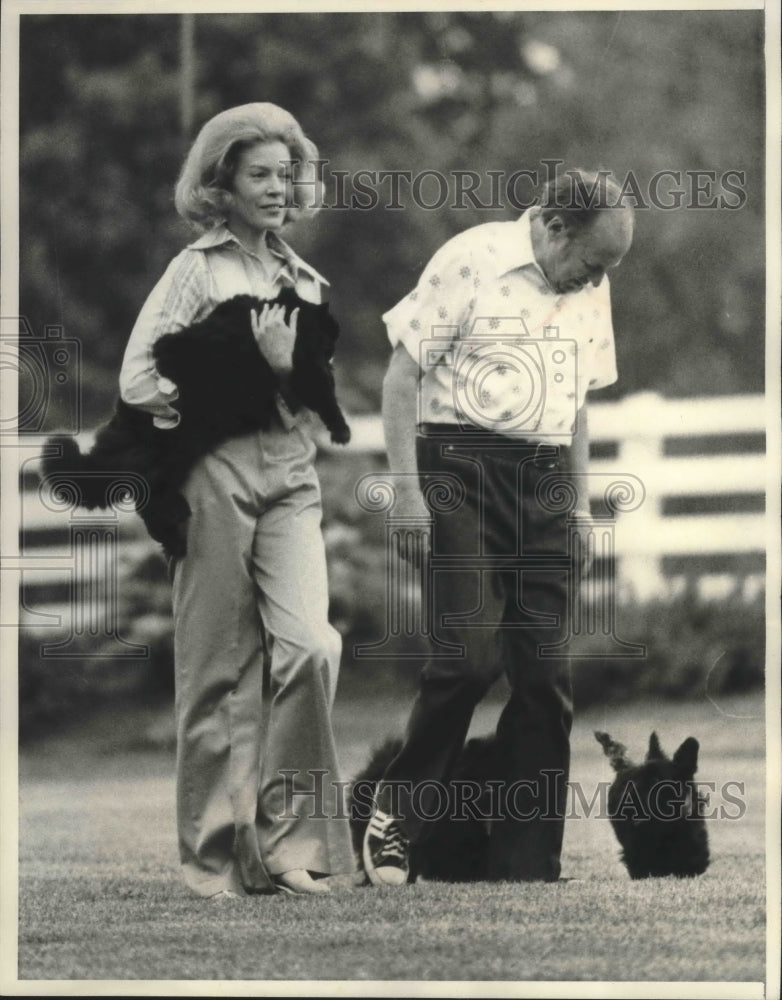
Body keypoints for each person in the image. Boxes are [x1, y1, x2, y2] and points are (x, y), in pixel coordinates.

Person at [363, 170, 634, 885]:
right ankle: (396, 818)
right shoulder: (470, 259)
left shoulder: (590, 285)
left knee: (545, 675)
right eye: (591, 263)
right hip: (458, 468)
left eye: (606, 270)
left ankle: (527, 861)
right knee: (470, 657)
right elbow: (399, 379)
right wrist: (407, 494)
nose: (595, 281)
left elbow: (577, 406)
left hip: (544, 483)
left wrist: (577, 506)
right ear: (553, 226)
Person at [119, 103, 355, 899]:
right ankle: (217, 860)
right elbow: (138, 380)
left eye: (287, 175)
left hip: (291, 472)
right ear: (221, 185)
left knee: (312, 647)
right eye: (260, 174)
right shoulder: (197, 269)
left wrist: (286, 373)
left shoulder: (305, 279)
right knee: (215, 672)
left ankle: (293, 848)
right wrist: (223, 398)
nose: (278, 188)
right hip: (213, 470)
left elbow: (316, 389)